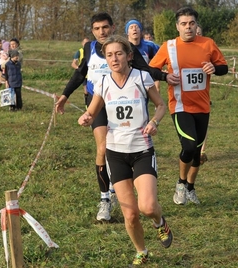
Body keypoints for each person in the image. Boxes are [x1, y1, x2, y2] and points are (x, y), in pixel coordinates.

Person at [55, 12, 169, 222]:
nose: (102, 32)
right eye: (97, 28)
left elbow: (145, 69)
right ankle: (105, 198)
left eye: (105, 27)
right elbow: (80, 73)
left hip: (127, 101)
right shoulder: (89, 49)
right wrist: (65, 95)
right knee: (102, 147)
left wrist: (164, 76)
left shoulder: (124, 47)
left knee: (121, 145)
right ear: (92, 31)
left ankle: (124, 186)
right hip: (97, 104)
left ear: (113, 27)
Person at [78, 35, 173, 266]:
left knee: (148, 207)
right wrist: (86, 117)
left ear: (129, 56)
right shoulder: (102, 82)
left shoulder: (142, 77)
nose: (114, 58)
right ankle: (141, 251)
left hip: (142, 150)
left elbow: (161, 105)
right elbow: (92, 111)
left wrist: (155, 123)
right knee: (130, 215)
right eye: (109, 55)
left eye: (118, 53)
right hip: (115, 153)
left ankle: (160, 222)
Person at [149, 6, 228, 205]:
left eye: (192, 23)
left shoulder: (208, 44)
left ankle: (190, 188)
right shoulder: (169, 46)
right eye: (184, 24)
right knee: (189, 145)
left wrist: (214, 68)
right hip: (180, 106)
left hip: (202, 106)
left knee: (197, 152)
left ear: (196, 25)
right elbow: (151, 69)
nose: (188, 27)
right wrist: (165, 76)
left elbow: (223, 67)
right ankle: (181, 183)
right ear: (177, 27)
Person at [125, 19, 161, 93]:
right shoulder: (123, 47)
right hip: (129, 80)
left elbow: (163, 55)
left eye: (137, 27)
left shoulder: (150, 46)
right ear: (127, 33)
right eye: (131, 27)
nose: (134, 29)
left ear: (141, 31)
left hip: (146, 79)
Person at [71, 37, 90, 106]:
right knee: (86, 91)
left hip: (92, 75)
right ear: (82, 43)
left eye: (88, 43)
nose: (86, 44)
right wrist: (79, 68)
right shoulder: (79, 52)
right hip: (84, 75)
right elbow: (73, 64)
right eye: (85, 43)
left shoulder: (92, 50)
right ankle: (87, 105)